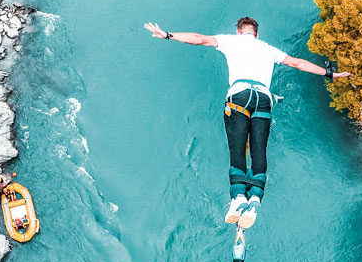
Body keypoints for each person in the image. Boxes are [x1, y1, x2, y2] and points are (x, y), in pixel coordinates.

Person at [143, 17, 349, 228]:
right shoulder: (268, 49)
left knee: (238, 148)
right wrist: (330, 73)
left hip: (239, 96)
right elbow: (297, 63)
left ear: (239, 31)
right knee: (259, 149)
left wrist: (168, 35)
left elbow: (198, 39)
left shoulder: (230, 41)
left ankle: (239, 198)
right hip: (263, 98)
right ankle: (255, 199)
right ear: (256, 34)